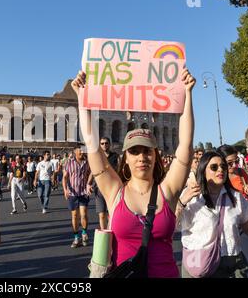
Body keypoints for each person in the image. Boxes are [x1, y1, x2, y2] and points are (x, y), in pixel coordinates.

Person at [70, 68, 196, 277]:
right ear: (125, 159)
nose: (141, 157)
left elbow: (186, 145)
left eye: (147, 151)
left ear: (155, 155)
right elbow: (92, 145)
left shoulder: (168, 190)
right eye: (135, 151)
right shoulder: (114, 192)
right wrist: (83, 100)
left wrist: (187, 94)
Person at [179, 151, 248, 278]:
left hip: (232, 264)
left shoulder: (236, 197)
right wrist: (182, 202)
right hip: (199, 264)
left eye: (223, 166)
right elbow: (171, 226)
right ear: (203, 170)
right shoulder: (192, 198)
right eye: (214, 167)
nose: (220, 169)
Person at [217, 145, 248, 278]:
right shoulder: (217, 178)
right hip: (225, 230)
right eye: (230, 163)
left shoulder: (241, 173)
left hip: (244, 223)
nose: (234, 165)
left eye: (236, 161)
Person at [63, 144, 91, 247]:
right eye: (80, 150)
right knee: (74, 216)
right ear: (75, 151)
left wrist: (89, 184)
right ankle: (76, 237)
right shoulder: (69, 163)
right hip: (72, 193)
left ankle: (84, 233)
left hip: (83, 192)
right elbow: (65, 177)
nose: (82, 152)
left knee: (83, 214)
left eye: (84, 150)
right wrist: (65, 190)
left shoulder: (87, 162)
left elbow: (90, 174)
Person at [88, 137, 118, 230]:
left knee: (112, 214)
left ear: (109, 144)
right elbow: (93, 171)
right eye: (102, 143)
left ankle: (112, 231)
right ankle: (104, 234)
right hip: (99, 188)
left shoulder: (115, 156)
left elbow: (120, 169)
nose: (104, 145)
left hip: (112, 188)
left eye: (106, 143)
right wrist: (88, 183)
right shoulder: (97, 157)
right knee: (101, 214)